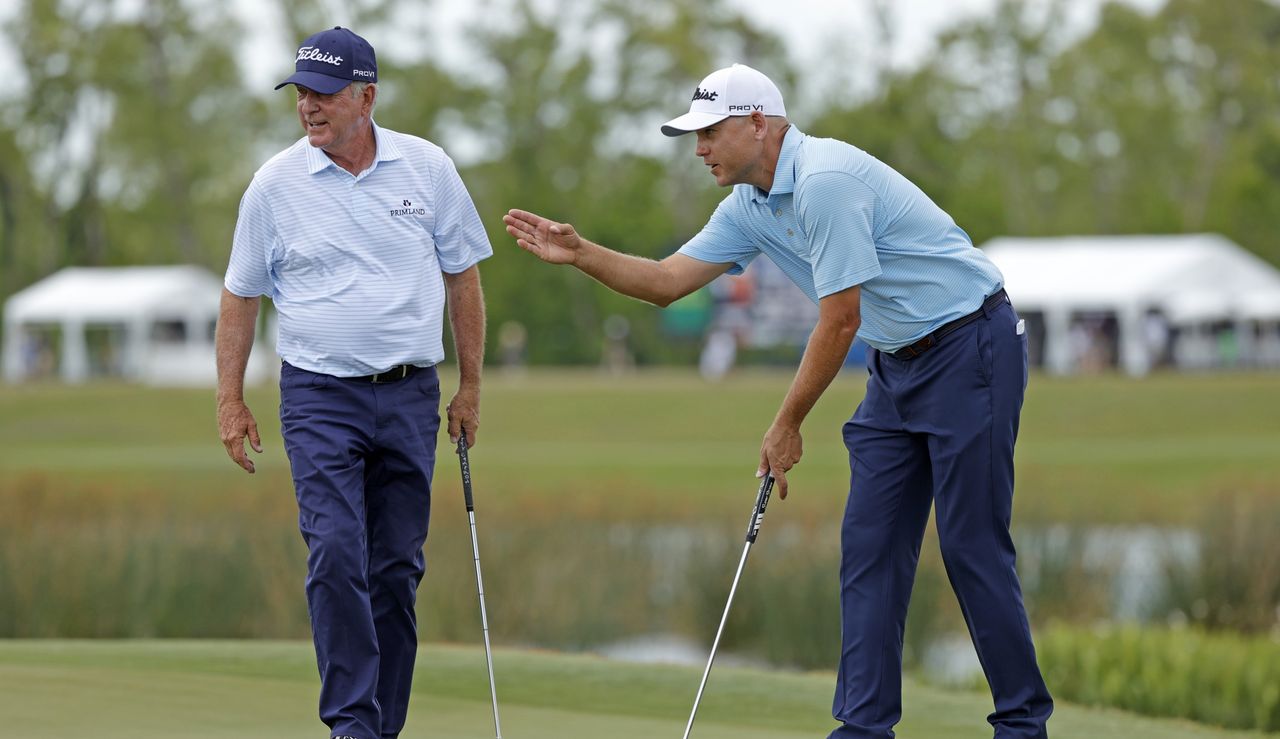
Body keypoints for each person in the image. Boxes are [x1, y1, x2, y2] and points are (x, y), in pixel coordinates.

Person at [503, 63, 1052, 738]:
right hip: (898, 363)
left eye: (709, 133)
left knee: (970, 544)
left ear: (757, 123)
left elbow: (839, 318)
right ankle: (864, 726)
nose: (699, 149)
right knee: (870, 545)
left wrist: (787, 422)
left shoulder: (824, 183)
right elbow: (667, 281)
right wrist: (581, 252)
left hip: (971, 346)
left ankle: (1023, 724)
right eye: (694, 137)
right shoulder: (750, 206)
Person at [215, 26, 491, 739]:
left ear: (366, 96)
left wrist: (470, 388)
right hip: (318, 396)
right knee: (337, 551)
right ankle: (351, 725)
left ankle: (382, 725)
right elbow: (240, 295)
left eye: (324, 93)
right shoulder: (274, 186)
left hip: (410, 392)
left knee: (396, 570)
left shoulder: (428, 170)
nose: (309, 106)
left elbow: (463, 275)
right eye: (301, 93)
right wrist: (229, 398)